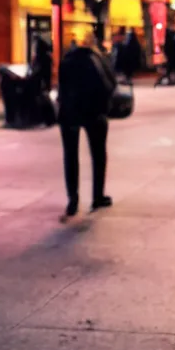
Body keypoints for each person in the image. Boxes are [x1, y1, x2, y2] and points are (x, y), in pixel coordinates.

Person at [57, 31, 116, 221]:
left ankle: (72, 200)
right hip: (94, 114)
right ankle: (97, 196)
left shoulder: (66, 60)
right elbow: (110, 84)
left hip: (69, 113)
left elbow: (61, 87)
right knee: (98, 155)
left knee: (70, 156)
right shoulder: (97, 59)